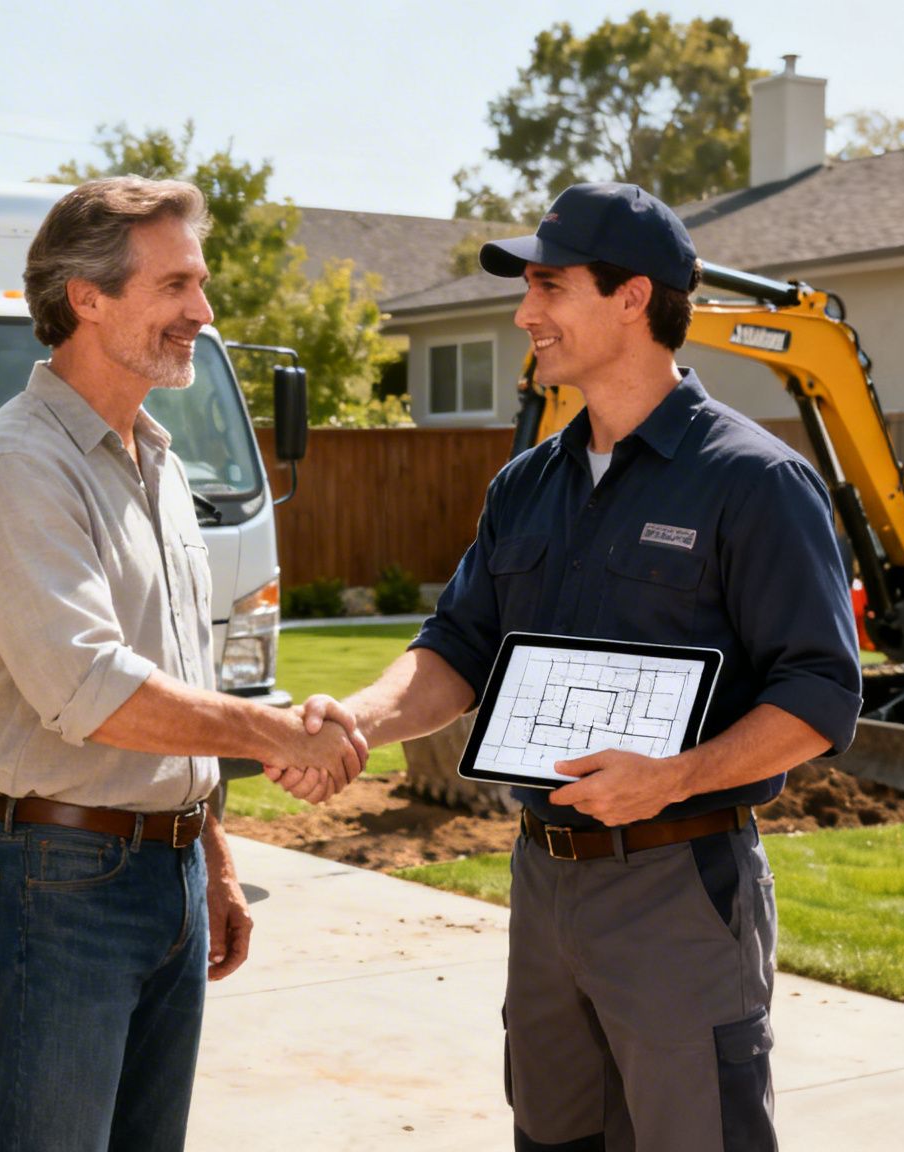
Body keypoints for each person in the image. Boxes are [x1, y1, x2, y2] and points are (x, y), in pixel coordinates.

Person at [298, 183, 861, 1151]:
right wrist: (357, 719)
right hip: (543, 884)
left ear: (633, 298)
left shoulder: (752, 481)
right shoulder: (525, 485)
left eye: (548, 286)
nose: (524, 313)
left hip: (678, 883)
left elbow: (817, 693)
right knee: (553, 1138)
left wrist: (674, 776)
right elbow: (455, 647)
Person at [0, 176, 365, 1152]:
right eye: (175, 285)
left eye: (198, 285)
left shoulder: (156, 461)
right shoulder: (16, 467)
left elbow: (176, 670)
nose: (202, 313)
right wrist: (276, 731)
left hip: (164, 871)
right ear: (86, 297)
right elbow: (91, 689)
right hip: (60, 883)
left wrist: (207, 846)